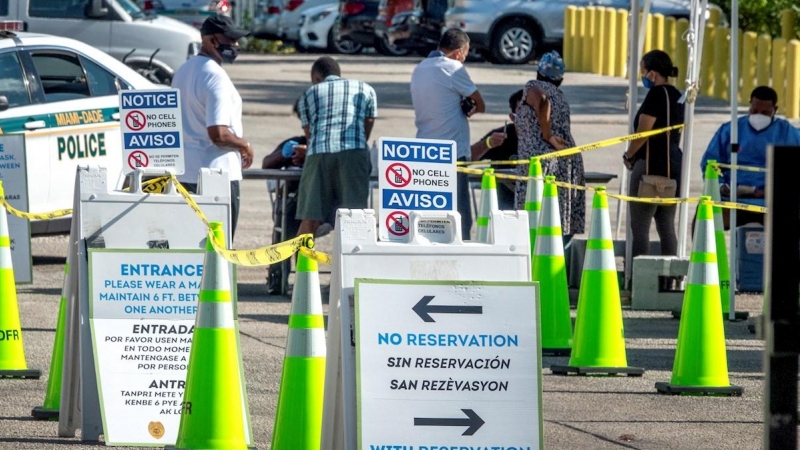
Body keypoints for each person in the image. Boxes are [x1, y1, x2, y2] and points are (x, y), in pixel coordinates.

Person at [172, 15, 254, 239]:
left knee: (188, 246)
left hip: (185, 172)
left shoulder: (183, 71)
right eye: (230, 39)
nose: (235, 45)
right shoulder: (215, 77)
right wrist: (244, 145)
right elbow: (218, 133)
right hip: (217, 176)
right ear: (211, 40)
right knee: (219, 251)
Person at [411, 28, 486, 239]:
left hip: (424, 150)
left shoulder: (419, 68)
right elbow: (480, 103)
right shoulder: (453, 68)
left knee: (432, 215)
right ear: (459, 53)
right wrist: (472, 108)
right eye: (466, 54)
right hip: (451, 152)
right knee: (459, 216)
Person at [294, 56, 377, 238]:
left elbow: (309, 134)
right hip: (354, 152)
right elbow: (368, 121)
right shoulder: (366, 89)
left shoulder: (309, 94)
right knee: (354, 217)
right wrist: (358, 143)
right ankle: (353, 265)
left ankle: (302, 264)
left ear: (316, 77)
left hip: (319, 154)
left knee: (310, 218)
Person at [700, 86, 800, 229]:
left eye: (765, 113)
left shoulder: (787, 132)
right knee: (702, 222)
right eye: (754, 111)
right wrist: (721, 186)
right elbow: (710, 162)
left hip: (772, 201)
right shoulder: (731, 130)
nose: (758, 116)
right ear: (749, 106)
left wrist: (779, 189)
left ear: (775, 110)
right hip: (733, 198)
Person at [513, 50, 585, 247]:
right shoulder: (561, 95)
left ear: (539, 71)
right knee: (557, 218)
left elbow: (542, 101)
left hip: (542, 162)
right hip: (566, 160)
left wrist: (547, 135)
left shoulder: (533, 86)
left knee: (534, 215)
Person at [622, 49, 684, 259]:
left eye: (643, 70)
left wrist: (629, 156)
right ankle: (670, 279)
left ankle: (639, 277)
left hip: (649, 165)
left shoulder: (656, 95)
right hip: (673, 166)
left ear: (652, 74)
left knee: (640, 227)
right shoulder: (678, 96)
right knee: (666, 226)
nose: (642, 76)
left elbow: (643, 133)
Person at [471, 89, 524, 210]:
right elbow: (468, 158)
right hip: (505, 207)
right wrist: (487, 143)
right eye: (523, 113)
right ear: (513, 117)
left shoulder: (546, 137)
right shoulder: (502, 136)